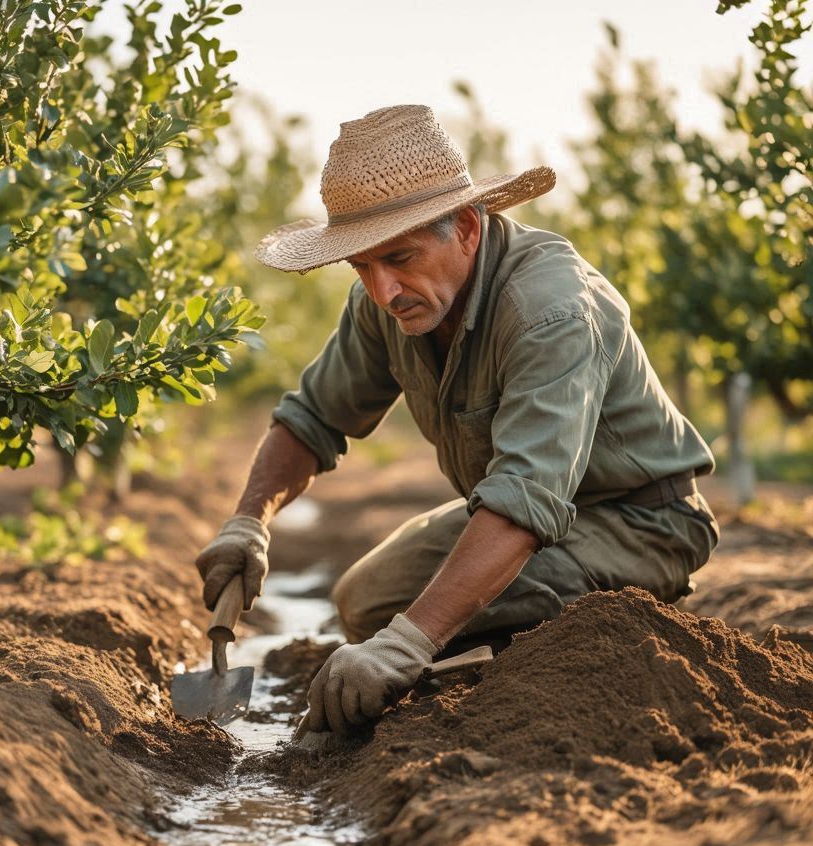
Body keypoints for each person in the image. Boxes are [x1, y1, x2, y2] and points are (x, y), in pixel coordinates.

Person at [195, 104, 719, 737]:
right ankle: (479, 647)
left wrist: (408, 646)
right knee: (365, 603)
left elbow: (524, 499)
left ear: (467, 228)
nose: (383, 289)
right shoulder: (386, 302)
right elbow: (311, 418)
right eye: (362, 266)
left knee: (411, 633)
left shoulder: (549, 311)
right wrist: (249, 521)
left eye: (401, 258)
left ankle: (537, 652)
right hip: (527, 515)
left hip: (641, 522)